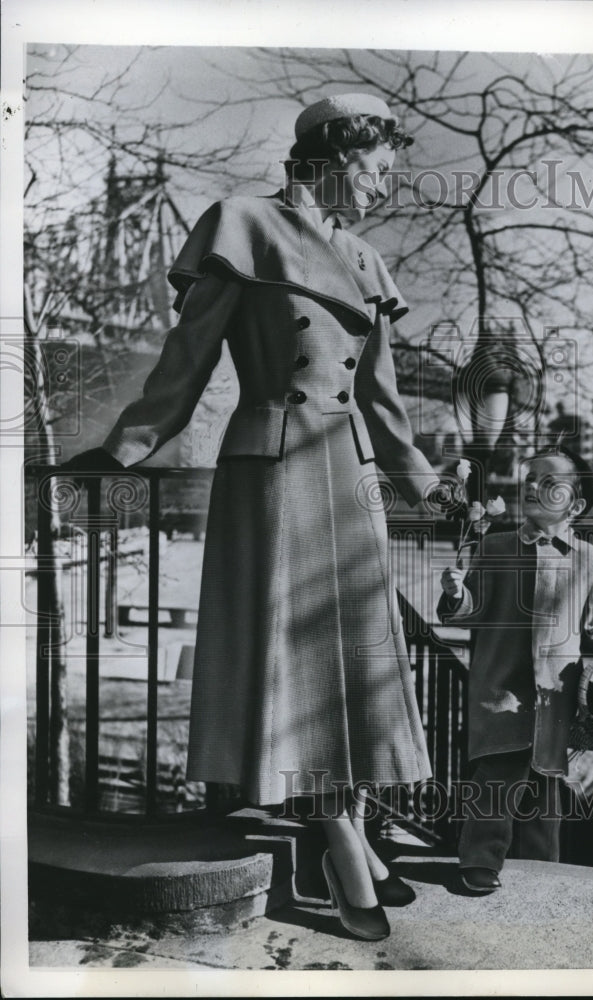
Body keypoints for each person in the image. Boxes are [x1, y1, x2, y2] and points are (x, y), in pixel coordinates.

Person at [66, 93, 450, 940]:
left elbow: (382, 405)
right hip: (273, 471)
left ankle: (339, 825)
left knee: (355, 661)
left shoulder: (362, 258)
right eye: (380, 168)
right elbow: (190, 356)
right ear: (333, 154)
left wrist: (433, 491)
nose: (387, 188)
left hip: (348, 477)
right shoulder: (241, 223)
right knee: (301, 659)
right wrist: (129, 447)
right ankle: (339, 833)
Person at [438, 445, 593, 893]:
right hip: (500, 690)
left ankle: (542, 867)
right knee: (497, 777)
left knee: (544, 785)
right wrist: (456, 594)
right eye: (530, 478)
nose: (533, 486)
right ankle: (479, 860)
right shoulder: (495, 547)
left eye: (549, 482)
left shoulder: (592, 561)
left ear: (575, 505)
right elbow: (467, 614)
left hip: (555, 698)